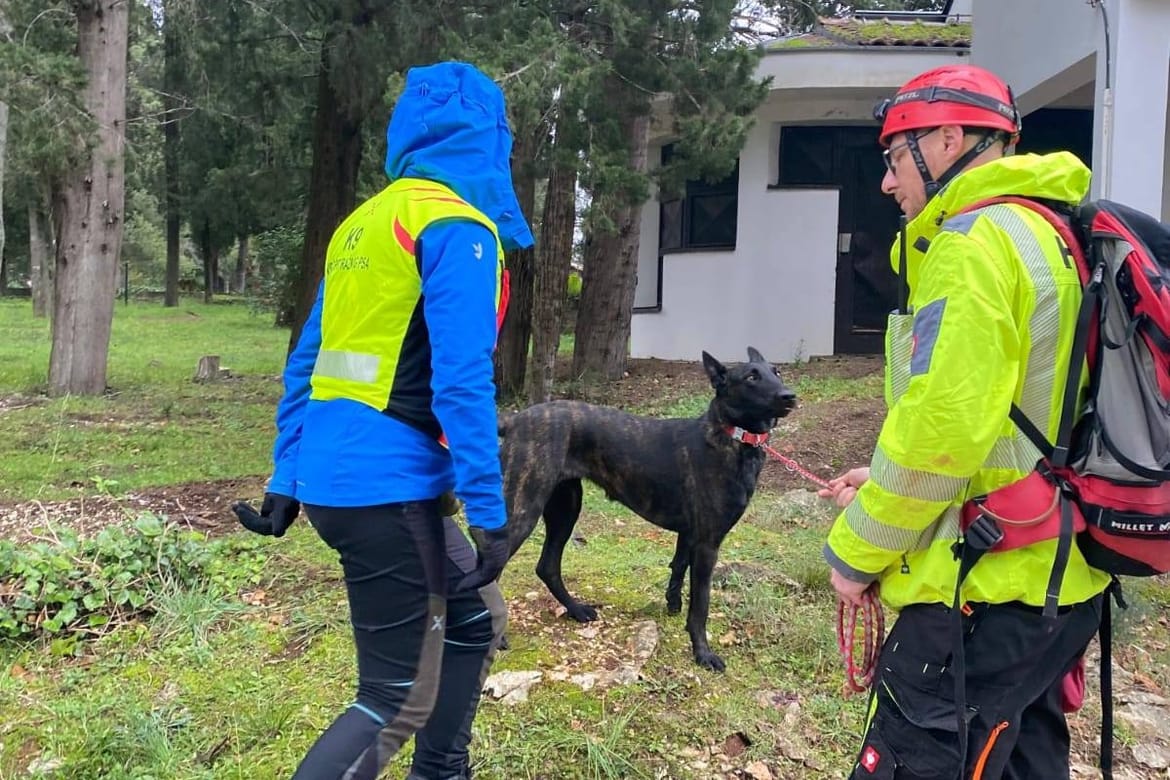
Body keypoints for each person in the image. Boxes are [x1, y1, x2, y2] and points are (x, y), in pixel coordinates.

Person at [232, 60, 534, 780]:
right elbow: (463, 381)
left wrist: (287, 475)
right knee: (393, 699)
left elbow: (309, 361)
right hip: (387, 491)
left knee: (476, 620)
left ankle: (442, 772)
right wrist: (491, 514)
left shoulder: (361, 226)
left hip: (344, 482)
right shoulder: (458, 227)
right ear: (489, 141)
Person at [818, 64, 1112, 779]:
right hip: (1058, 584)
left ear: (948, 141)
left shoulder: (971, 245)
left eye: (895, 157)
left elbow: (943, 430)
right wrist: (883, 477)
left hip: (981, 591)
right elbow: (1018, 416)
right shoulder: (1051, 233)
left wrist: (856, 553)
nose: (887, 182)